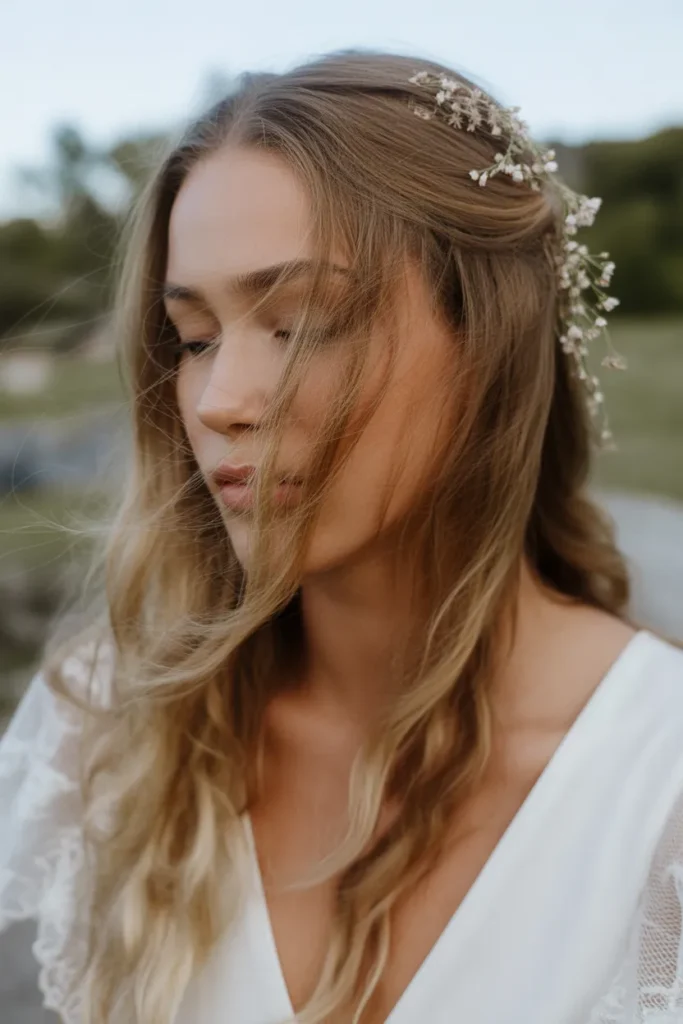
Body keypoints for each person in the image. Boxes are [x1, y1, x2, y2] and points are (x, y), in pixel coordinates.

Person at [1, 49, 682, 1024]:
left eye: (303, 323)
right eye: (194, 339)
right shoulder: (111, 729)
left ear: (491, 341)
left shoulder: (659, 795)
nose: (219, 400)